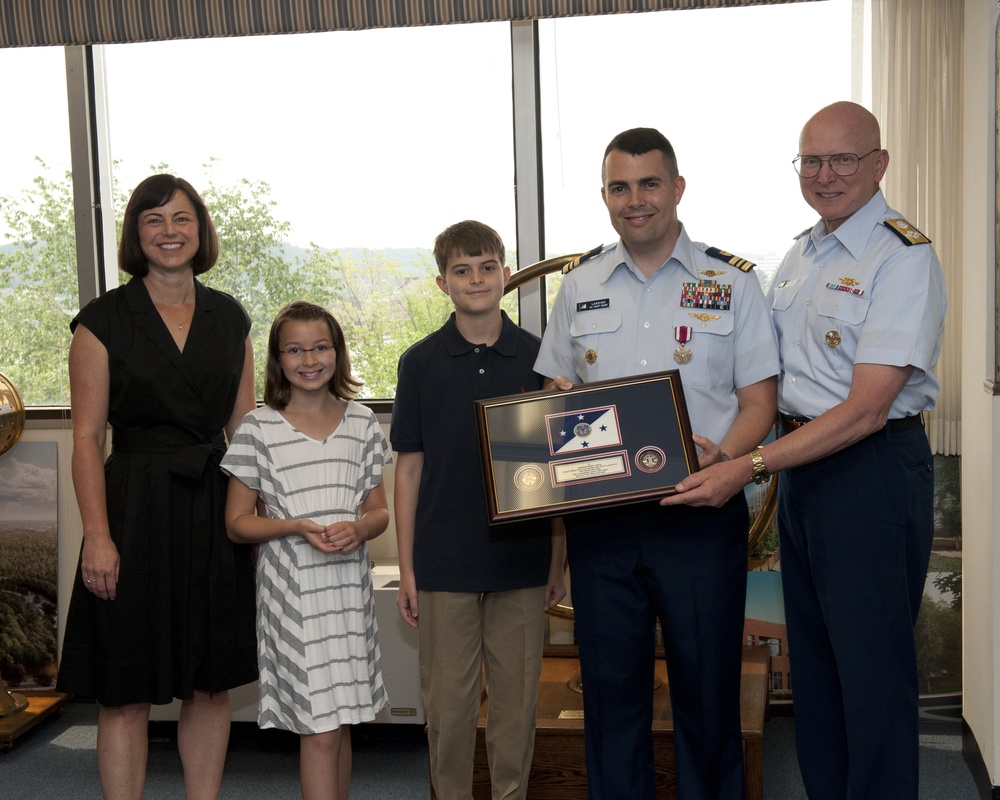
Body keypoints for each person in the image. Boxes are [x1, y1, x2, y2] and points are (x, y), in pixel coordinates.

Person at [662, 101, 948, 799]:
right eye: (812, 160)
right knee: (815, 671)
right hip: (804, 473)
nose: (825, 175)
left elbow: (867, 409)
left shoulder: (903, 257)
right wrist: (718, 440)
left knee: (871, 678)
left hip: (867, 474)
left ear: (878, 164)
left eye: (843, 159)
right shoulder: (800, 252)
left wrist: (748, 464)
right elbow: (775, 378)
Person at [534, 127, 779, 800]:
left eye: (648, 184)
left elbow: (761, 401)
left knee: (707, 702)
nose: (635, 200)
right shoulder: (579, 285)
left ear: (676, 188)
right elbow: (555, 400)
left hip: (699, 518)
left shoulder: (731, 283)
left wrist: (727, 458)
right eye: (620, 186)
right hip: (603, 528)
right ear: (605, 195)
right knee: (612, 706)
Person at [56, 174, 258, 799]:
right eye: (154, 221)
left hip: (212, 505)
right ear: (136, 235)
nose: (170, 233)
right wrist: (97, 535)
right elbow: (88, 439)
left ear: (201, 231)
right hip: (132, 510)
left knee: (210, 681)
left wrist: (260, 520)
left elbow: (247, 431)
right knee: (126, 688)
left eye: (181, 220)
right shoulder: (101, 321)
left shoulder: (231, 317)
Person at [390, 220, 567, 800]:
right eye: (462, 271)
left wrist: (557, 559)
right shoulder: (419, 363)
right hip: (443, 562)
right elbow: (409, 470)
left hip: (521, 559)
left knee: (515, 710)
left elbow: (559, 471)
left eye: (487, 267)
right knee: (448, 709)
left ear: (507, 275)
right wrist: (409, 570)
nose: (476, 279)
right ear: (442, 283)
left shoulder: (541, 358)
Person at [220, 300, 391, 800]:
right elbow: (236, 523)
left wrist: (359, 530)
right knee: (318, 731)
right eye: (294, 349)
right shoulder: (258, 428)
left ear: (337, 352)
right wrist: (292, 525)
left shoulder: (362, 423)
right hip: (291, 598)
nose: (309, 359)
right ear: (277, 359)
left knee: (340, 726)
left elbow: (378, 511)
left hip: (347, 597)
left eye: (320, 347)